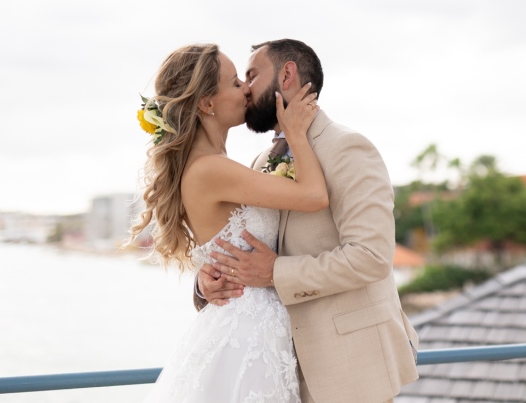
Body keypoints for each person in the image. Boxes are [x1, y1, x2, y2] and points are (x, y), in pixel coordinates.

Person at [196, 39, 419, 403]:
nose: (246, 89)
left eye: (251, 75)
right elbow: (249, 249)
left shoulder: (347, 148)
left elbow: (371, 257)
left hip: (349, 365)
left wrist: (275, 273)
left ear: (286, 74)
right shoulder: (259, 162)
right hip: (276, 369)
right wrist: (211, 281)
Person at [128, 43, 328, 403]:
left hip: (254, 330)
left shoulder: (218, 165)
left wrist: (205, 281)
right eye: (235, 82)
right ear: (206, 103)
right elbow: (314, 196)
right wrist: (295, 133)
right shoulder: (211, 170)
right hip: (247, 335)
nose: (247, 88)